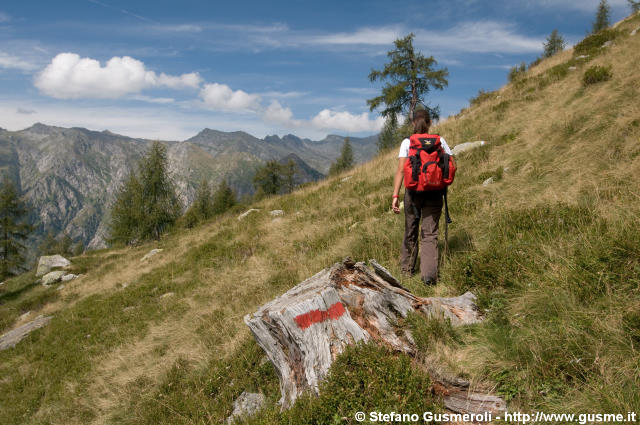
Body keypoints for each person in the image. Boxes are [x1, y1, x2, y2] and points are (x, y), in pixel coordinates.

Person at [391, 107, 452, 285]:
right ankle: (429, 277)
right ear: (430, 122)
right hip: (435, 192)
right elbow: (449, 164)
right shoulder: (439, 141)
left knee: (411, 230)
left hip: (412, 192)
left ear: (413, 123)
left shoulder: (407, 142)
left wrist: (395, 194)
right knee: (430, 233)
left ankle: (407, 272)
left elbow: (401, 169)